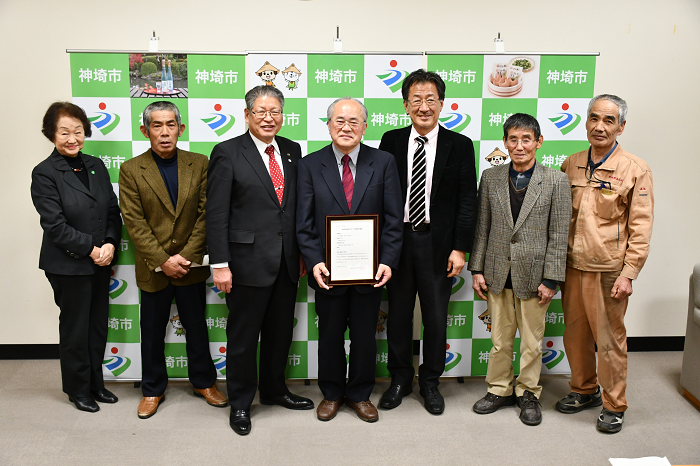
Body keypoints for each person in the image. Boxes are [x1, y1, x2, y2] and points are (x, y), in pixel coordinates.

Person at [206, 85, 313, 436]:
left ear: (283, 115)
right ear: (248, 114)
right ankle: (240, 401)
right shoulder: (227, 152)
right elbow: (217, 213)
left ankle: (274, 389)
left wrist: (300, 253)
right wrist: (219, 263)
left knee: (280, 332)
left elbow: (295, 208)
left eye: (275, 112)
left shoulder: (293, 150)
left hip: (286, 262)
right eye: (261, 112)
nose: (269, 118)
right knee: (243, 337)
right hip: (244, 263)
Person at [296, 97, 403, 423]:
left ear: (365, 127)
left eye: (354, 121)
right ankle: (331, 393)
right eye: (339, 120)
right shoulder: (310, 165)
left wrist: (387, 260)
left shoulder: (383, 162)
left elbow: (393, 219)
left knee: (364, 337)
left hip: (369, 272)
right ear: (328, 125)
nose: (346, 127)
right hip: (328, 272)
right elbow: (304, 223)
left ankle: (359, 394)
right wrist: (315, 262)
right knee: (328, 336)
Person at [378, 69, 478, 414]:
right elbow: (379, 194)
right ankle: (400, 379)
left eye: (430, 99)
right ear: (406, 105)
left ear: (441, 103)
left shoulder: (460, 145)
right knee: (399, 316)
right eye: (416, 99)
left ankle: (431, 382)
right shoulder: (390, 140)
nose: (424, 106)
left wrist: (460, 247)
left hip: (438, 245)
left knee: (435, 318)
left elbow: (468, 200)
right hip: (398, 241)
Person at [119, 101, 227, 420]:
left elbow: (208, 214)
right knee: (151, 332)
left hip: (191, 265)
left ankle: (204, 383)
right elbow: (134, 222)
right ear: (145, 130)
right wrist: (163, 259)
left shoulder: (200, 163)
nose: (164, 133)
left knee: (196, 328)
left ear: (181, 129)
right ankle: (152, 389)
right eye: (157, 125)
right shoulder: (131, 169)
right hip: (154, 268)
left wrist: (186, 256)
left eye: (170, 125)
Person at [556, 95, 654, 434]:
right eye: (594, 118)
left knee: (610, 341)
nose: (600, 126)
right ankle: (584, 390)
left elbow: (641, 227)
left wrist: (629, 273)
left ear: (621, 127)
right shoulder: (572, 163)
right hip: (572, 266)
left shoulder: (635, 169)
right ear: (586, 122)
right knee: (575, 335)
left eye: (609, 121)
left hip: (608, 270)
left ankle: (614, 404)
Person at [468, 113, 571, 426]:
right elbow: (482, 227)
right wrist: (477, 269)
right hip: (497, 272)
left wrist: (552, 278)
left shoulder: (556, 180)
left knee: (531, 342)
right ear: (505, 142)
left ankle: (528, 393)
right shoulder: (491, 177)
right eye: (513, 139)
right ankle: (498, 389)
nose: (519, 145)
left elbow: (559, 233)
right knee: (500, 340)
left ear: (538, 142)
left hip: (535, 276)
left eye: (527, 139)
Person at [31, 102, 122, 413]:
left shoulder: (96, 165)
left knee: (97, 326)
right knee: (75, 329)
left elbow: (112, 210)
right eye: (64, 132)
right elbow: (54, 225)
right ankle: (77, 389)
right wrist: (92, 249)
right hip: (68, 265)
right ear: (51, 134)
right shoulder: (44, 173)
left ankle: (96, 383)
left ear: (86, 132)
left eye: (78, 131)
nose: (72, 138)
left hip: (100, 261)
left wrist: (110, 243)